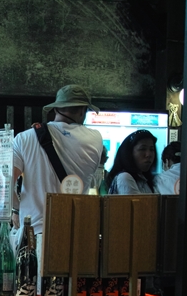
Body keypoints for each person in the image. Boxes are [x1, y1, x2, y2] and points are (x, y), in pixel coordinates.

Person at [11, 84, 104, 247]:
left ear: (55, 109)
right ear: (83, 110)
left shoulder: (25, 138)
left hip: (34, 234)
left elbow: (6, 183)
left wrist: (16, 210)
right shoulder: (96, 139)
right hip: (75, 234)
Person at [106, 129, 158, 195]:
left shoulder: (144, 178)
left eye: (152, 149)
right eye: (142, 149)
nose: (148, 154)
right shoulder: (125, 177)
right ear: (129, 153)